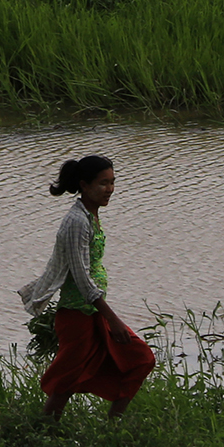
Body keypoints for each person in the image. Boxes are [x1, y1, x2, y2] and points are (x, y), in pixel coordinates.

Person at [16, 154, 156, 418]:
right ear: (84, 185)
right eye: (103, 183)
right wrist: (112, 319)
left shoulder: (90, 216)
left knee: (140, 359)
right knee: (65, 383)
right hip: (77, 315)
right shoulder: (76, 222)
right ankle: (43, 433)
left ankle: (112, 429)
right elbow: (81, 278)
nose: (110, 189)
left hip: (91, 312)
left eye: (113, 182)